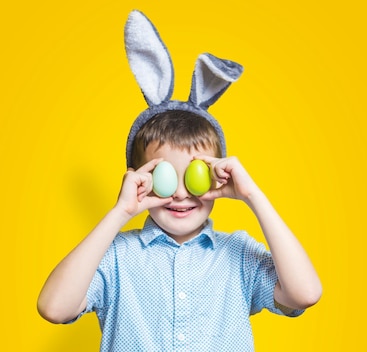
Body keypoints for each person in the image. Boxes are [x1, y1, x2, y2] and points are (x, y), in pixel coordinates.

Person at [37, 10, 321, 351]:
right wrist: (119, 212)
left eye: (195, 176)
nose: (182, 194)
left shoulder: (239, 254)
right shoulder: (114, 256)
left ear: (219, 176)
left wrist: (252, 195)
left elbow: (305, 293)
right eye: (166, 176)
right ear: (139, 179)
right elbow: (54, 308)